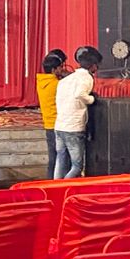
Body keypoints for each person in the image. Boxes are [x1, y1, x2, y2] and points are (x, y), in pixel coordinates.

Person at [53, 46, 101, 179]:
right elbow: (80, 94)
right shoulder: (86, 78)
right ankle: (64, 186)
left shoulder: (66, 80)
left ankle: (55, 186)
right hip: (73, 128)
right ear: (93, 66)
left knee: (60, 160)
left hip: (59, 125)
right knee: (77, 166)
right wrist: (92, 99)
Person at [35, 49, 68, 176]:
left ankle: (49, 182)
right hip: (59, 125)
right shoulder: (58, 85)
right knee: (62, 160)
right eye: (60, 67)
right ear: (54, 70)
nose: (62, 69)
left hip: (48, 124)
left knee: (53, 159)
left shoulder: (41, 81)